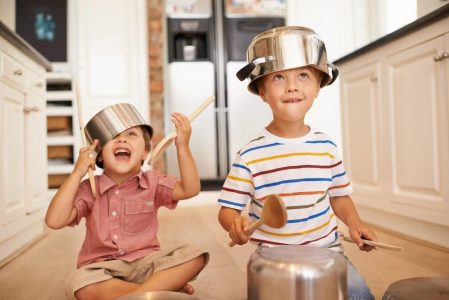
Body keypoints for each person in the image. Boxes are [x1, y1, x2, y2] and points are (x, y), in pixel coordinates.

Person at [217, 26, 376, 300]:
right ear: (262, 92)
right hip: (274, 260)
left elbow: (339, 196)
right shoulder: (251, 154)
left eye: (303, 75)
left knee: (360, 295)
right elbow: (227, 210)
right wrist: (236, 224)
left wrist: (354, 222)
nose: (292, 86)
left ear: (318, 86)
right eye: (279, 77)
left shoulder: (326, 146)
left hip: (327, 254)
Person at [45, 103, 208, 300]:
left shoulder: (153, 182)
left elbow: (190, 189)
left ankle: (138, 294)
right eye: (113, 136)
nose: (121, 139)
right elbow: (54, 221)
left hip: (147, 264)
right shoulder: (89, 189)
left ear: (145, 152)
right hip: (103, 269)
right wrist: (77, 172)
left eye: (131, 134)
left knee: (195, 255)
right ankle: (156, 290)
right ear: (99, 156)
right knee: (78, 285)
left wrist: (182, 146)